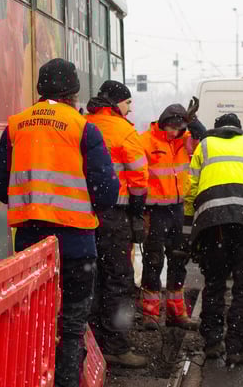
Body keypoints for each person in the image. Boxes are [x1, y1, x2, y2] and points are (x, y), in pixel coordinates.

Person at [0, 58, 119, 387]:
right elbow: (106, 189)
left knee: (36, 326)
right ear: (73, 93)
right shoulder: (82, 127)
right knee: (72, 327)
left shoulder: (16, 126)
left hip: (31, 247)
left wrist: (31, 204)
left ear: (39, 89)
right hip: (76, 247)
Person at [185, 113, 243, 365]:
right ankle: (236, 347)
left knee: (214, 283)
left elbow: (191, 187)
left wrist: (191, 219)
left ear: (215, 130)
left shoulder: (204, 146)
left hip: (213, 224)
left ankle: (212, 343)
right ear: (240, 130)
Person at [85, 80, 150, 368]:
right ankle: (117, 346)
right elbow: (138, 179)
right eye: (127, 103)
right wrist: (137, 211)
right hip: (115, 215)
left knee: (89, 278)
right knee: (119, 279)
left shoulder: (82, 124)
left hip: (83, 215)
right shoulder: (125, 131)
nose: (130, 108)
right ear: (116, 104)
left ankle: (90, 344)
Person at [138, 99, 206, 330]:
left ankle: (177, 314)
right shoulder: (145, 142)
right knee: (153, 261)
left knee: (178, 260)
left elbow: (203, 139)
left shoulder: (183, 141)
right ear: (163, 123)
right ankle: (150, 315)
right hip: (154, 211)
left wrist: (193, 120)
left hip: (176, 210)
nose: (176, 132)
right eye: (173, 127)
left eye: (180, 128)